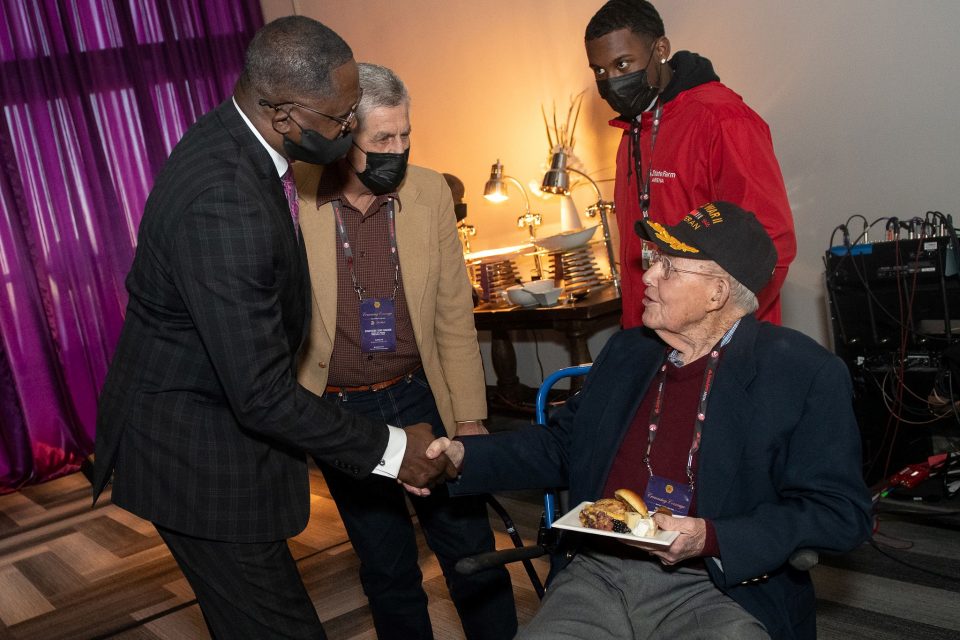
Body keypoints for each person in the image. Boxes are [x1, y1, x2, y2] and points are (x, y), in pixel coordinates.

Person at [91, 18, 455, 640]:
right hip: (198, 460)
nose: (347, 134)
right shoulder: (224, 199)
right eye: (339, 120)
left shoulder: (232, 138)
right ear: (284, 112)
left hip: (207, 434)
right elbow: (259, 393)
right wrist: (394, 452)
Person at [423, 202, 872, 639]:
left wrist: (712, 537)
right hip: (598, 574)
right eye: (655, 261)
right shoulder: (628, 352)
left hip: (719, 587)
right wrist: (462, 455)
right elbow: (561, 447)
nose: (649, 276)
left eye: (670, 267)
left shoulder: (801, 374)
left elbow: (839, 514)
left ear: (717, 293)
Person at [294, 63, 517, 640]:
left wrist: (469, 419)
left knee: (469, 548)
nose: (398, 150)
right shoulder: (295, 197)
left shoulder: (428, 192)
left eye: (405, 135)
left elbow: (452, 315)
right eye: (382, 140)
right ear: (344, 137)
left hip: (423, 392)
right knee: (387, 565)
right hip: (342, 411)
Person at [584, 0, 796, 328]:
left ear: (661, 50)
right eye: (599, 70)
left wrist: (719, 332)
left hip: (714, 343)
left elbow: (770, 242)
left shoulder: (723, 119)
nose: (611, 80)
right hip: (654, 340)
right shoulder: (632, 130)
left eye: (623, 64)